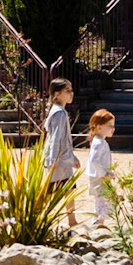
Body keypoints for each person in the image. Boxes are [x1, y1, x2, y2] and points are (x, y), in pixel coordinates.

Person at [41, 76, 79, 230]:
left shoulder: (59, 111)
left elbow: (62, 139)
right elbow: (55, 138)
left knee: (68, 189)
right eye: (67, 91)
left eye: (71, 90)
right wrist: (52, 160)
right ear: (57, 94)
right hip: (59, 160)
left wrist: (73, 156)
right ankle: (41, 216)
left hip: (64, 158)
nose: (71, 94)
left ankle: (72, 220)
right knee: (52, 190)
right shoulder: (59, 113)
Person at [85, 108, 115, 227]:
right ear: (98, 126)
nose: (112, 129)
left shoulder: (101, 142)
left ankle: (99, 222)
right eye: (109, 125)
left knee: (104, 200)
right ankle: (97, 222)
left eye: (113, 125)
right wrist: (104, 174)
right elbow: (94, 160)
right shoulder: (98, 142)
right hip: (98, 177)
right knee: (103, 199)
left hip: (101, 176)